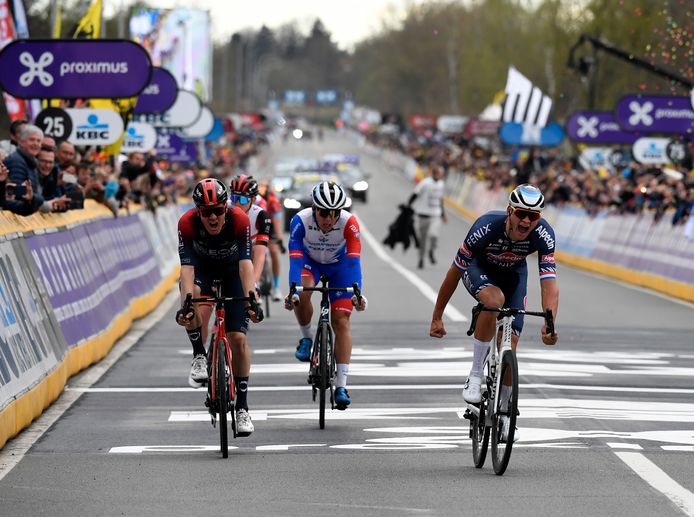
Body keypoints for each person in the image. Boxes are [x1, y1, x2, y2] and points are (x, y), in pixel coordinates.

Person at [429, 184, 559, 441]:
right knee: (493, 299)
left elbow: (549, 283)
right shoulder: (485, 227)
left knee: (511, 345)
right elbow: (453, 274)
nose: (525, 220)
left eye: (533, 216)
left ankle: (506, 414)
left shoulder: (544, 234)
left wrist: (550, 323)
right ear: (509, 211)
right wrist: (437, 316)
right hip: (479, 269)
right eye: (521, 213)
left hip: (514, 276)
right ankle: (476, 374)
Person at [176, 178, 261, 436]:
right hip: (202, 270)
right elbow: (187, 269)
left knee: (238, 338)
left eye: (217, 210)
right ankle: (199, 355)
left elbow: (246, 264)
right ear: (198, 211)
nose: (212, 217)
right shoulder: (187, 224)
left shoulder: (239, 220)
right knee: (192, 300)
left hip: (233, 273)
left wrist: (252, 298)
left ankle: (243, 408)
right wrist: (186, 303)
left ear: (226, 207)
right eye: (206, 212)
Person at [284, 181, 366, 409]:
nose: (329, 219)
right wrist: (293, 289)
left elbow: (353, 260)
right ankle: (307, 337)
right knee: (303, 291)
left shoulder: (349, 223)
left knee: (341, 322)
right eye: (323, 213)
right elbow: (296, 258)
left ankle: (341, 385)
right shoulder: (300, 220)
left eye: (334, 213)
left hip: (340, 268)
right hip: (311, 264)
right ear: (314, 209)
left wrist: (357, 292)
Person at [228, 175, 272, 288]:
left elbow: (259, 254)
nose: (237, 203)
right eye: (234, 198)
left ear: (253, 199)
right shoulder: (224, 208)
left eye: (243, 199)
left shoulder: (261, 215)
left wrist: (254, 284)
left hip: (251, 247)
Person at [408, 163, 447, 269]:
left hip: (435, 215)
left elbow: (440, 200)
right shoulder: (425, 183)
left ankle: (431, 250)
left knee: (433, 234)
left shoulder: (441, 184)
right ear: (434, 173)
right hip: (422, 215)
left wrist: (443, 214)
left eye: (441, 174)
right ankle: (421, 258)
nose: (440, 176)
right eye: (439, 173)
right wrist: (408, 207)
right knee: (422, 240)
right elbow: (415, 194)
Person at [258, 179, 286, 301]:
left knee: (274, 252)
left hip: (272, 227)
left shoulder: (273, 201)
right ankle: (256, 285)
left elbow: (277, 223)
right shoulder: (256, 201)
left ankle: (276, 287)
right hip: (259, 225)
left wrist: (279, 240)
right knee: (257, 254)